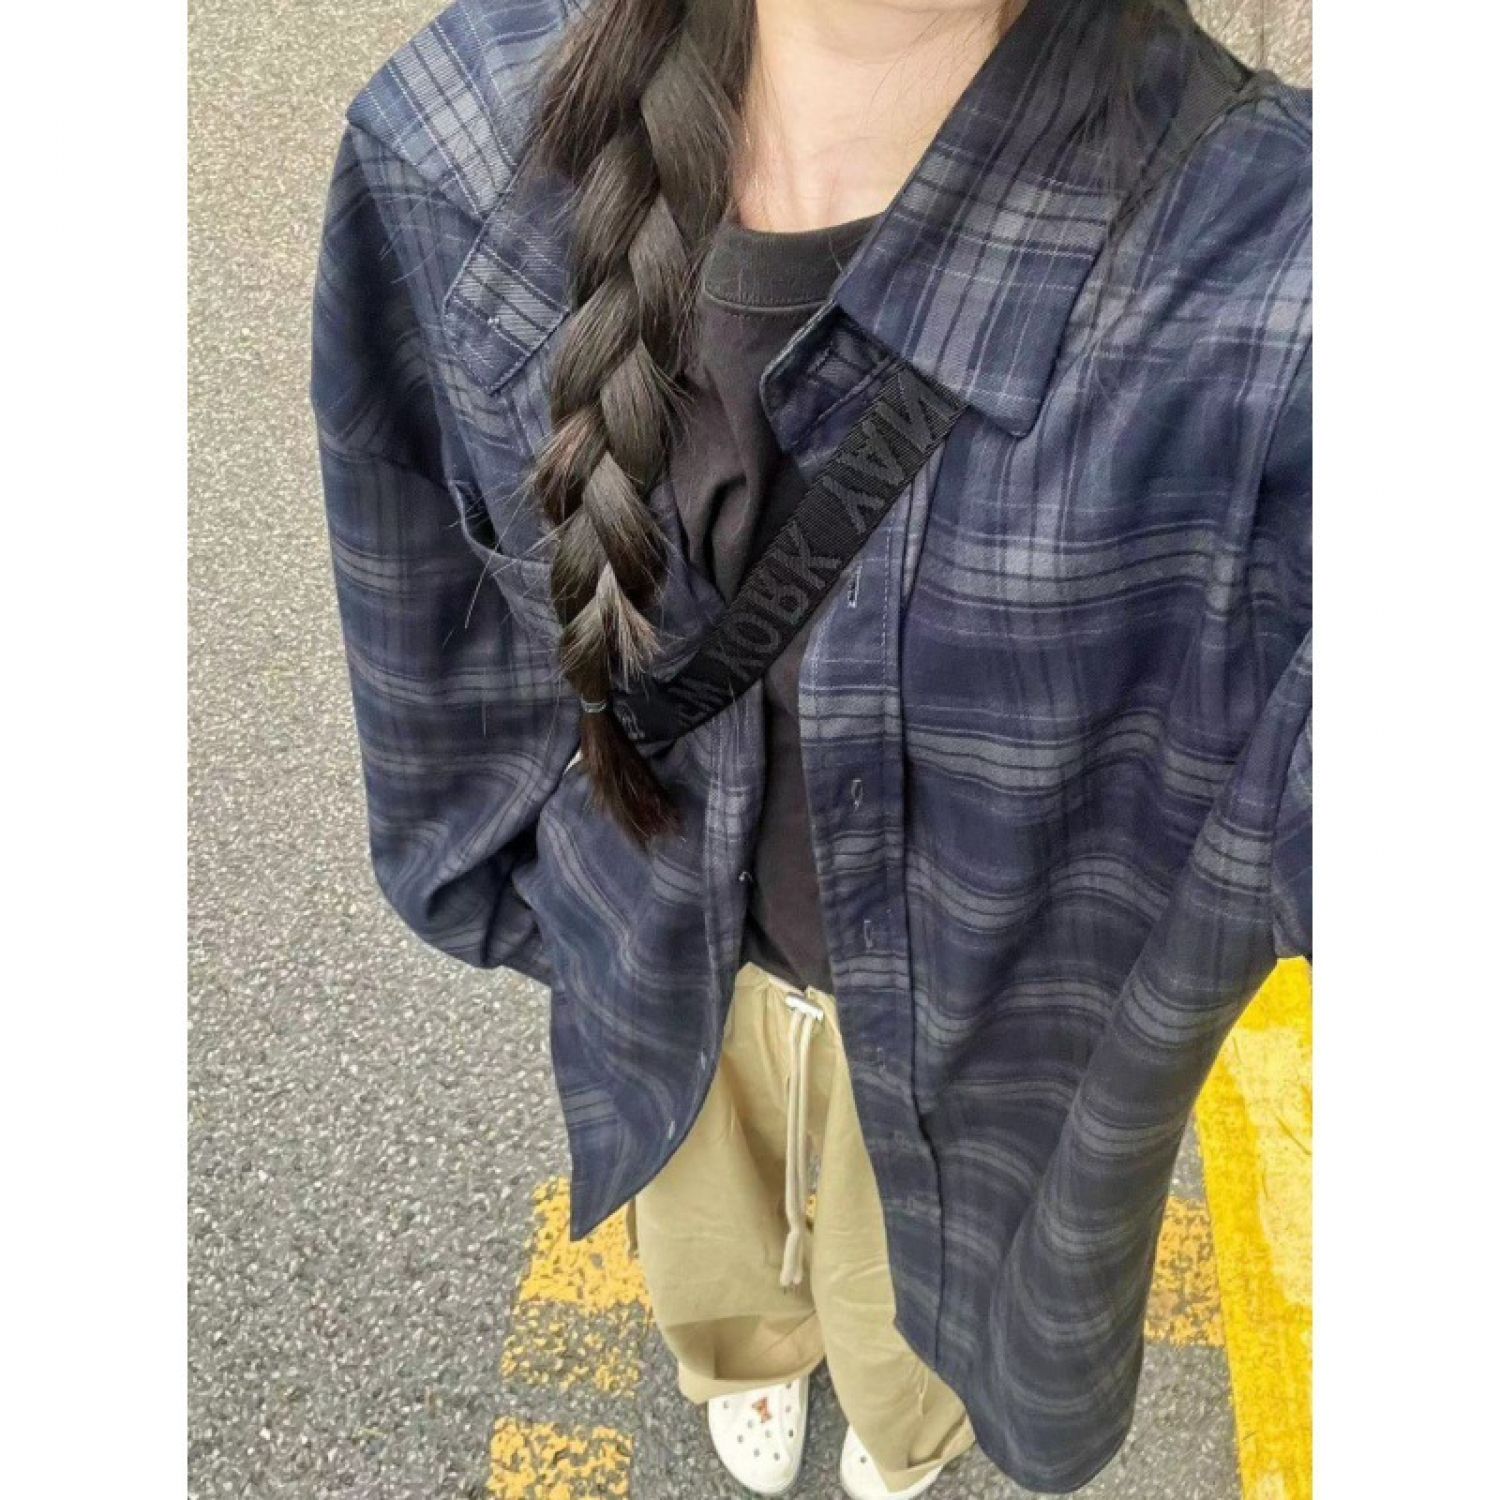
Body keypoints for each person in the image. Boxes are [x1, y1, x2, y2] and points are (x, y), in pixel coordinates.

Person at [310, 0, 1311, 1494]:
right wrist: (564, 916)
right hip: (668, 945)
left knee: (920, 1308)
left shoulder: (1281, 298)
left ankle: (906, 1433)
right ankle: (750, 1362)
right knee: (705, 1236)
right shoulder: (466, 141)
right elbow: (426, 634)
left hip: (991, 1052)